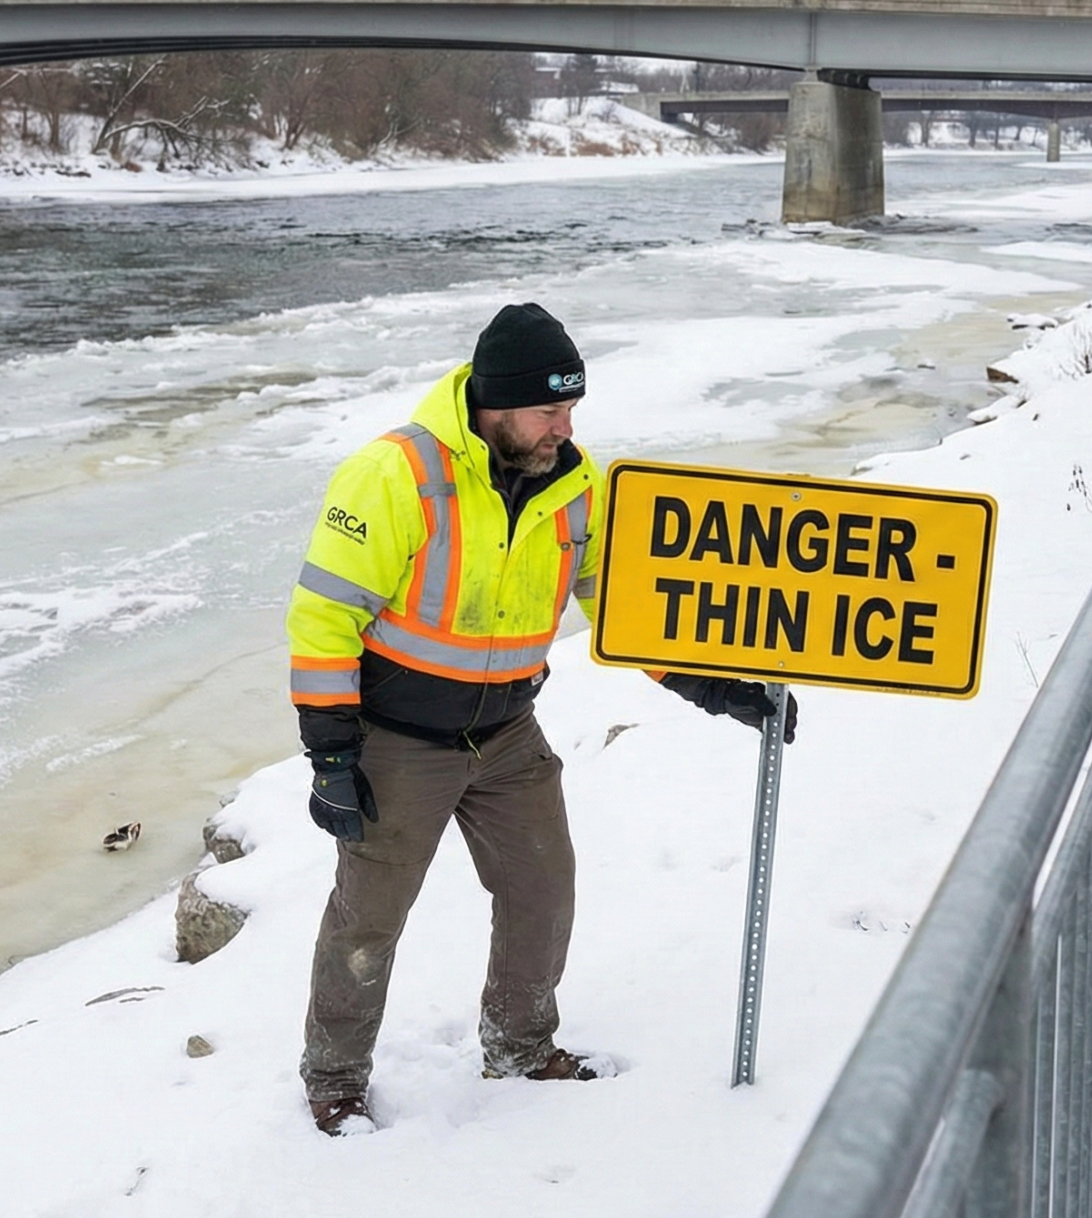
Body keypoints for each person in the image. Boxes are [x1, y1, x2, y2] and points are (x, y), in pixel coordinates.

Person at [286, 302, 796, 1136]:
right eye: (549, 409)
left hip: (507, 733)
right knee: (368, 916)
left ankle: (520, 1046)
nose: (566, 425)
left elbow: (624, 608)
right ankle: (334, 1078)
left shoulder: (576, 484)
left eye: (571, 408)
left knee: (542, 889)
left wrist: (718, 687)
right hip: (401, 741)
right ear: (494, 405)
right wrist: (331, 755)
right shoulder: (393, 475)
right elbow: (323, 618)